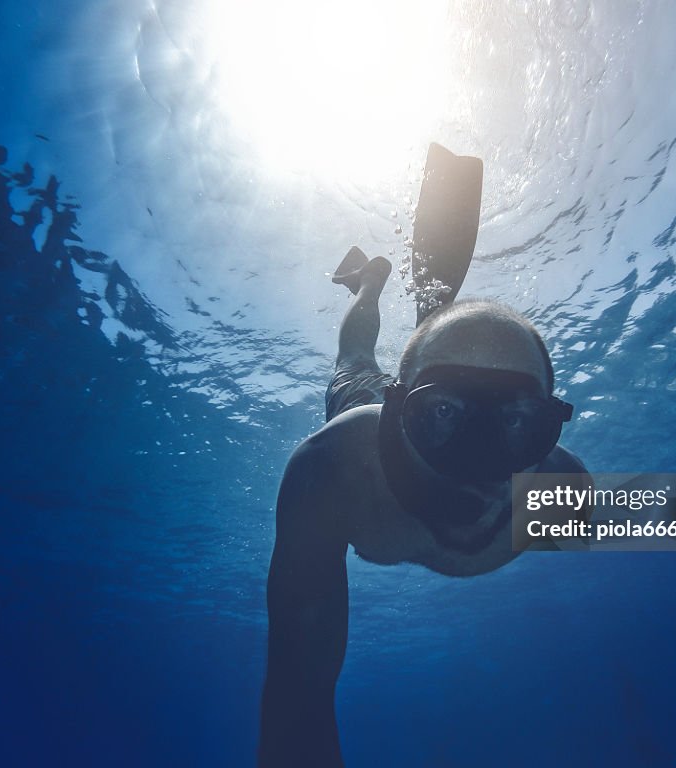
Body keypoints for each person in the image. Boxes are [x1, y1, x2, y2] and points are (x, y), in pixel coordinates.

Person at [258, 145, 590, 767]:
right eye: (442, 417)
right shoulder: (333, 470)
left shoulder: (562, 494)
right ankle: (370, 283)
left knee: (436, 343)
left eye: (519, 423)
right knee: (354, 361)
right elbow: (297, 697)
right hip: (366, 405)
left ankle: (433, 335)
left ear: (548, 429)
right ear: (398, 410)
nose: (479, 468)